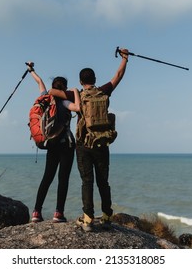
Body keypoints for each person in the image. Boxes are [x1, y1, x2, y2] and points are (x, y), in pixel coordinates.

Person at [74, 48, 129, 231]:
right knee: (103, 182)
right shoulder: (104, 91)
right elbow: (118, 75)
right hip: (102, 143)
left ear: (81, 81)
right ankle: (106, 217)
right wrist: (125, 58)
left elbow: (52, 92)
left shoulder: (78, 95)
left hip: (84, 144)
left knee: (87, 181)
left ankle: (88, 219)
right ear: (95, 80)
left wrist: (73, 91)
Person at [27, 62, 81, 223]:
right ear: (63, 88)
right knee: (63, 179)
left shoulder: (46, 98)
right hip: (66, 145)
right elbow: (77, 108)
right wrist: (76, 91)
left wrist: (31, 70)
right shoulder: (64, 102)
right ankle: (58, 213)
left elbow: (39, 82)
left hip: (50, 144)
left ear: (53, 87)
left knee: (47, 177)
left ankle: (36, 212)